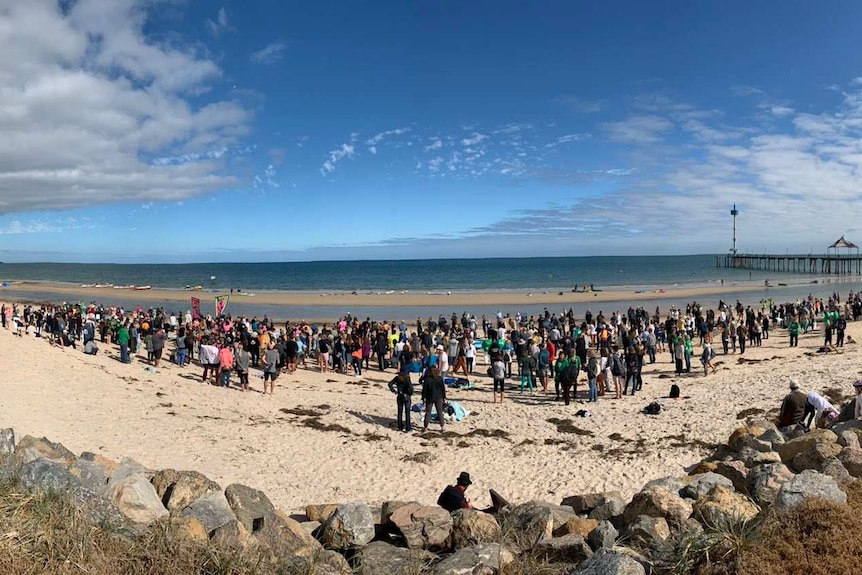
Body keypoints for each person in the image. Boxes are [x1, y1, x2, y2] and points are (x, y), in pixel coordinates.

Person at [421, 364, 446, 432]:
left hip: (430, 397)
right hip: (439, 397)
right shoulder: (440, 378)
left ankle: (425, 426)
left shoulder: (427, 379)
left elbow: (424, 390)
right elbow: (442, 388)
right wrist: (444, 397)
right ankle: (442, 426)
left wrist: (423, 398)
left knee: (428, 412)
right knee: (440, 412)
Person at [388, 368, 414, 432]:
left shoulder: (397, 378)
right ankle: (408, 428)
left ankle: (400, 427)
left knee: (400, 412)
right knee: (407, 413)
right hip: (406, 397)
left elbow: (390, 384)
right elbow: (411, 388)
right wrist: (410, 394)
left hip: (399, 396)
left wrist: (394, 391)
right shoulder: (407, 379)